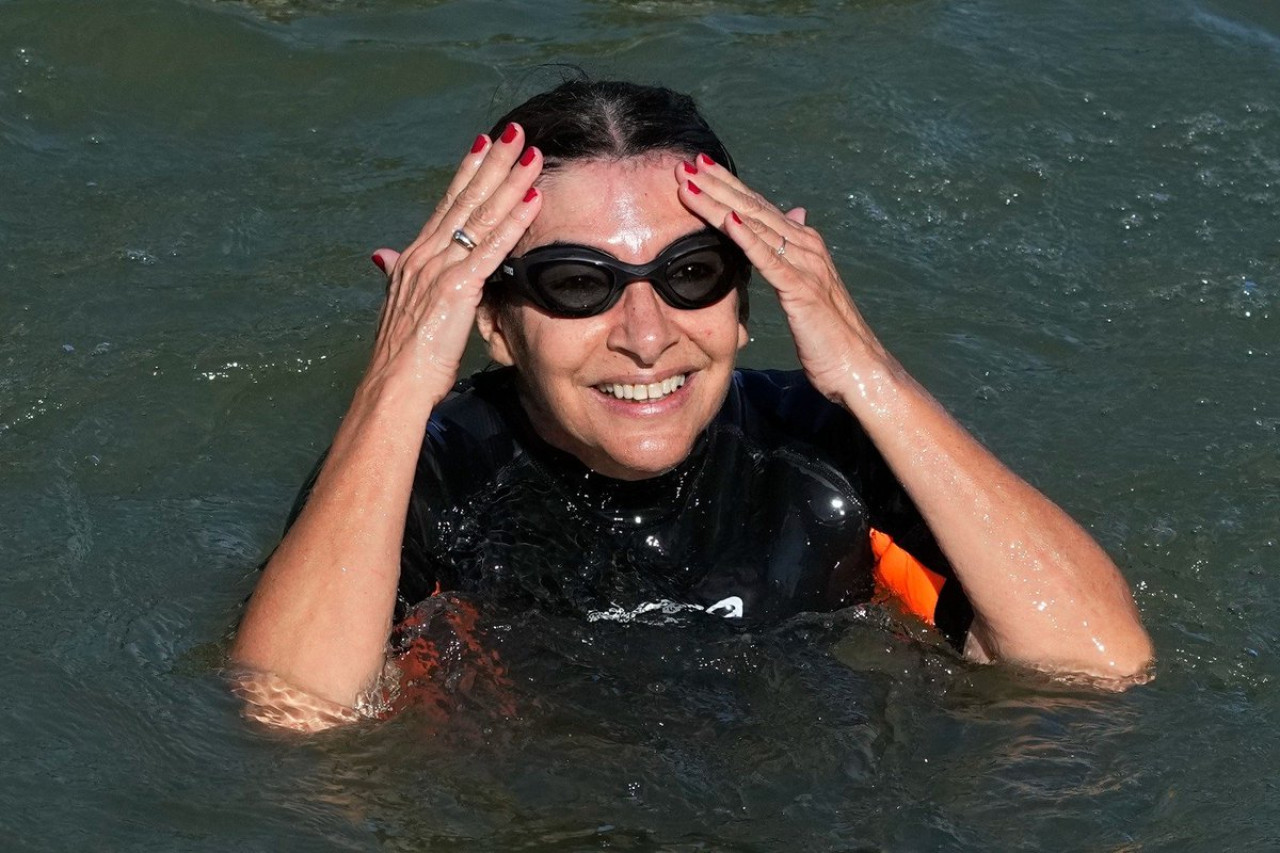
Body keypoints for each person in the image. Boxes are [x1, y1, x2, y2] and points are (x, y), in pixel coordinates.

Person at [230, 79, 1153, 730]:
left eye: (691, 273)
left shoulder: (820, 449)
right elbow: (291, 713)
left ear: (747, 306)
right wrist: (394, 388)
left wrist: (867, 372)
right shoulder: (429, 465)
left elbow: (1101, 665)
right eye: (578, 283)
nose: (647, 330)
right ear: (495, 325)